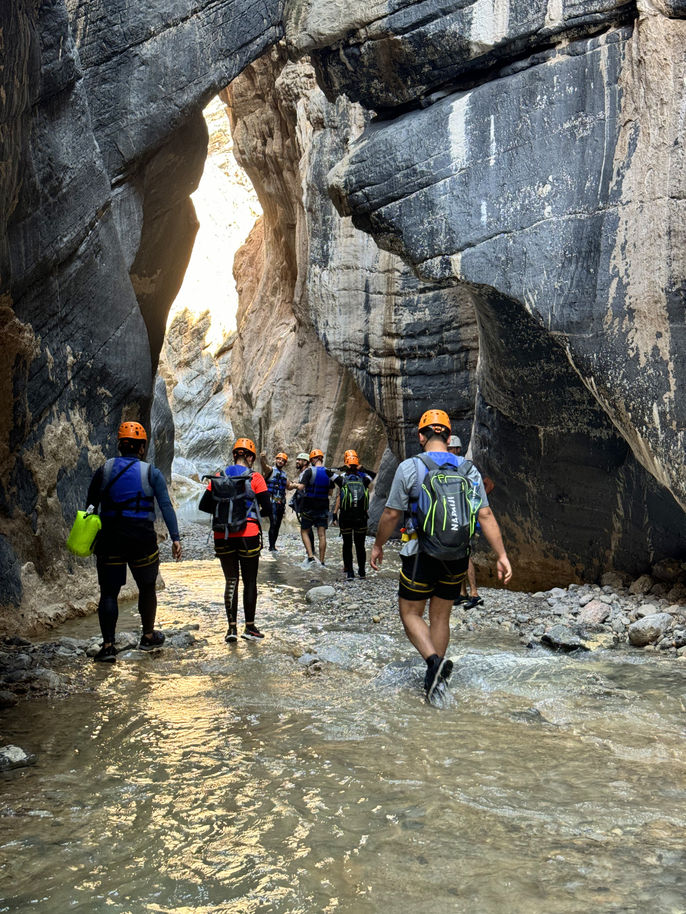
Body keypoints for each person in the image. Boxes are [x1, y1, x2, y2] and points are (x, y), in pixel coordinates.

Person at [370, 409, 512, 702]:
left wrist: (378, 545)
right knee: (441, 617)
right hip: (457, 555)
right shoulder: (468, 470)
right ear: (448, 436)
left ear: (421, 436)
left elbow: (391, 513)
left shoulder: (411, 467)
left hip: (420, 553)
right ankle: (437, 683)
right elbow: (484, 514)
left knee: (410, 612)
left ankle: (433, 663)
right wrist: (502, 555)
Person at [86, 421, 182, 663]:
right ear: (141, 448)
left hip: (110, 538)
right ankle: (148, 636)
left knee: (109, 592)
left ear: (119, 446)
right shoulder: (151, 472)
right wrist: (175, 538)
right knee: (147, 587)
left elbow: (89, 506)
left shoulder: (104, 470)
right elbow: (166, 506)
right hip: (141, 538)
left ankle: (108, 646)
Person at [208, 437, 272, 643]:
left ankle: (231, 629)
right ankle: (250, 627)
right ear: (251, 457)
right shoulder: (256, 478)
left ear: (235, 455)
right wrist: (252, 512)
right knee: (250, 581)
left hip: (222, 535)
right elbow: (268, 509)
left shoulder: (219, 476)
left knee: (231, 580)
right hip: (249, 534)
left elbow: (204, 504)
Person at [332, 450, 373, 580]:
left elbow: (328, 473)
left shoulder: (342, 480)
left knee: (347, 544)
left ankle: (350, 573)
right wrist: (362, 468)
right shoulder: (364, 479)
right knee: (360, 545)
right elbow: (373, 474)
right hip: (361, 518)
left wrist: (341, 468)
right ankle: (362, 573)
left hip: (346, 518)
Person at [296, 449, 336, 568]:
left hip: (309, 507)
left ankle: (310, 556)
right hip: (323, 507)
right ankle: (322, 561)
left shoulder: (309, 471)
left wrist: (292, 485)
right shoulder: (329, 473)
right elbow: (330, 492)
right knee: (322, 534)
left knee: (304, 531)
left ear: (313, 459)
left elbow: (301, 487)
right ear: (321, 459)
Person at [260, 450, 289, 551]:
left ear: (285, 463)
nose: (280, 461)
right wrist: (263, 458)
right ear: (275, 460)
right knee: (274, 522)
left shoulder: (284, 474)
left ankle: (273, 545)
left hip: (280, 503)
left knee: (277, 525)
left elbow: (289, 486)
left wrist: (298, 486)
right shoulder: (270, 470)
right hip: (271, 502)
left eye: (282, 460)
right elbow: (264, 466)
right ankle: (271, 547)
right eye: (279, 459)